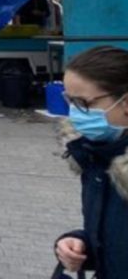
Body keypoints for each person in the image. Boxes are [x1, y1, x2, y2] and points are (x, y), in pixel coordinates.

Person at [54, 45, 128, 278]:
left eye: (84, 104)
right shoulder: (96, 157)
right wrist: (80, 243)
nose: (75, 114)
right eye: (70, 101)